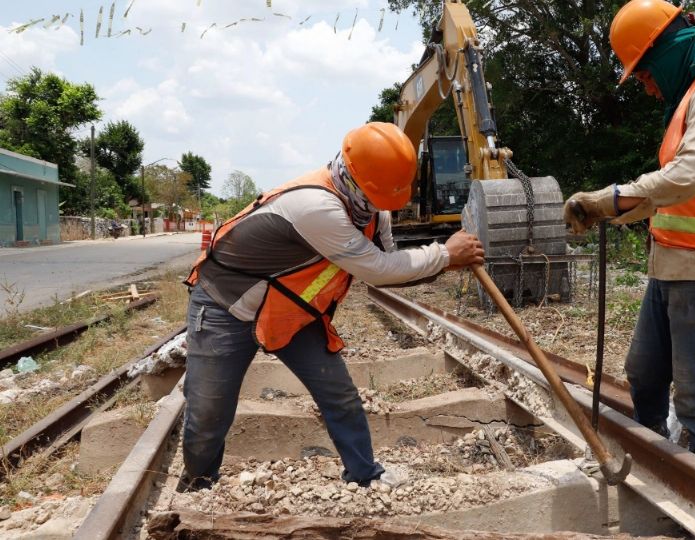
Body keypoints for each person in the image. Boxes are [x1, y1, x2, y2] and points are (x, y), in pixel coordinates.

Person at [179, 122, 485, 491]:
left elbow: (390, 270)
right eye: (375, 198)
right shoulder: (316, 206)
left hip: (289, 311)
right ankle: (198, 486)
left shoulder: (372, 208)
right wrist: (443, 253)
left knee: (338, 393)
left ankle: (364, 475)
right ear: (354, 179)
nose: (379, 208)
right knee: (210, 409)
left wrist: (447, 261)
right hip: (224, 307)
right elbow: (377, 267)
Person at [564, 0, 695, 471]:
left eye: (644, 74)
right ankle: (660, 467)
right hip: (678, 264)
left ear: (665, 50)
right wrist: (608, 211)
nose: (647, 87)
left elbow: (688, 175)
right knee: (643, 373)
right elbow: (670, 194)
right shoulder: (694, 93)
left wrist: (610, 198)